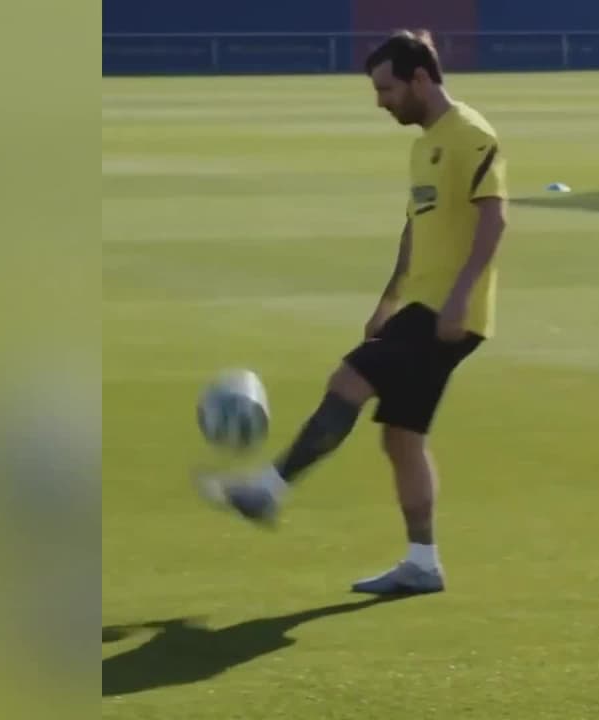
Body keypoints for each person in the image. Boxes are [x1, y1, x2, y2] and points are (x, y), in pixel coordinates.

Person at [198, 29, 509, 596]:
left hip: (447, 312)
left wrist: (460, 298)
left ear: (420, 78)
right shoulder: (423, 145)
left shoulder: (470, 134)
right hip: (422, 306)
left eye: (387, 89)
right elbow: (415, 230)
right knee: (402, 438)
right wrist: (387, 302)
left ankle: (268, 488)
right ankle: (422, 563)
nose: (381, 102)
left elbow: (494, 220)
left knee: (350, 380)